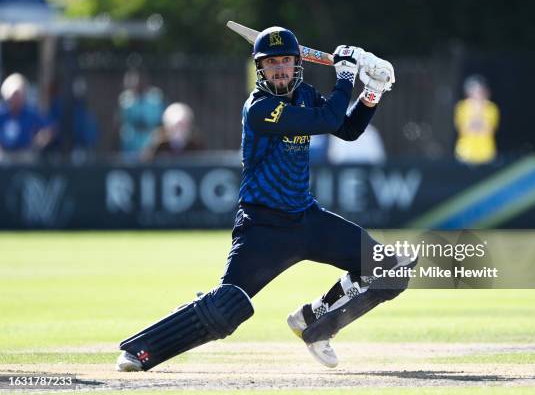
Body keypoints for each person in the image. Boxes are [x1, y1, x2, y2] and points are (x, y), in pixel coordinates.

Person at [116, 27, 415, 372]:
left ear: (296, 64)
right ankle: (141, 350)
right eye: (271, 63)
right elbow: (329, 117)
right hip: (262, 227)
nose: (279, 69)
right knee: (229, 306)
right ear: (260, 69)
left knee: (389, 268)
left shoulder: (304, 95)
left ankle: (314, 323)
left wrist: (372, 93)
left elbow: (346, 129)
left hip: (306, 218)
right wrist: (346, 75)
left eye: (285, 61)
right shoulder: (259, 108)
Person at [0, 73, 55, 163]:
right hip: (4, 155)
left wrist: (39, 141)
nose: (16, 99)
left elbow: (50, 128)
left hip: (26, 155)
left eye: (19, 95)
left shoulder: (31, 113)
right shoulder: (2, 113)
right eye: (14, 95)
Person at [117, 69, 165, 156]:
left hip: (149, 135)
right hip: (132, 138)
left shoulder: (155, 96)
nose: (137, 83)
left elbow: (158, 118)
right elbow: (122, 119)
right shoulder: (125, 98)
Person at [454, 75, 499, 164]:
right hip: (465, 153)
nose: (477, 95)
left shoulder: (492, 108)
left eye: (479, 91)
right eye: (473, 92)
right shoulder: (461, 107)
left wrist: (479, 112)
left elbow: (488, 130)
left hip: (486, 153)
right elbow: (464, 130)